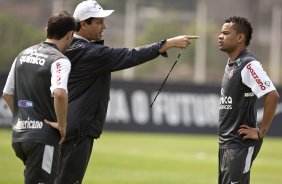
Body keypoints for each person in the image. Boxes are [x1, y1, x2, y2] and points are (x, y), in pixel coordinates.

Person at [52, 0, 199, 183]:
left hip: (65, 125)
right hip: (78, 129)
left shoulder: (67, 47)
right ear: (83, 24)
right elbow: (131, 55)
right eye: (99, 22)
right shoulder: (92, 53)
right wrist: (167, 44)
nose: (104, 26)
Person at [2, 11, 75, 184]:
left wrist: (23, 118)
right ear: (70, 35)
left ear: (46, 30)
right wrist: (62, 125)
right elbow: (60, 93)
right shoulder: (59, 60)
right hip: (44, 139)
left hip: (19, 136)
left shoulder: (22, 55)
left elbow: (7, 94)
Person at [218, 16, 279, 184]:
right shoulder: (231, 64)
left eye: (225, 33)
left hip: (240, 145)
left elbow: (272, 95)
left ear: (240, 38)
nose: (220, 36)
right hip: (227, 145)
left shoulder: (249, 65)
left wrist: (261, 131)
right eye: (221, 33)